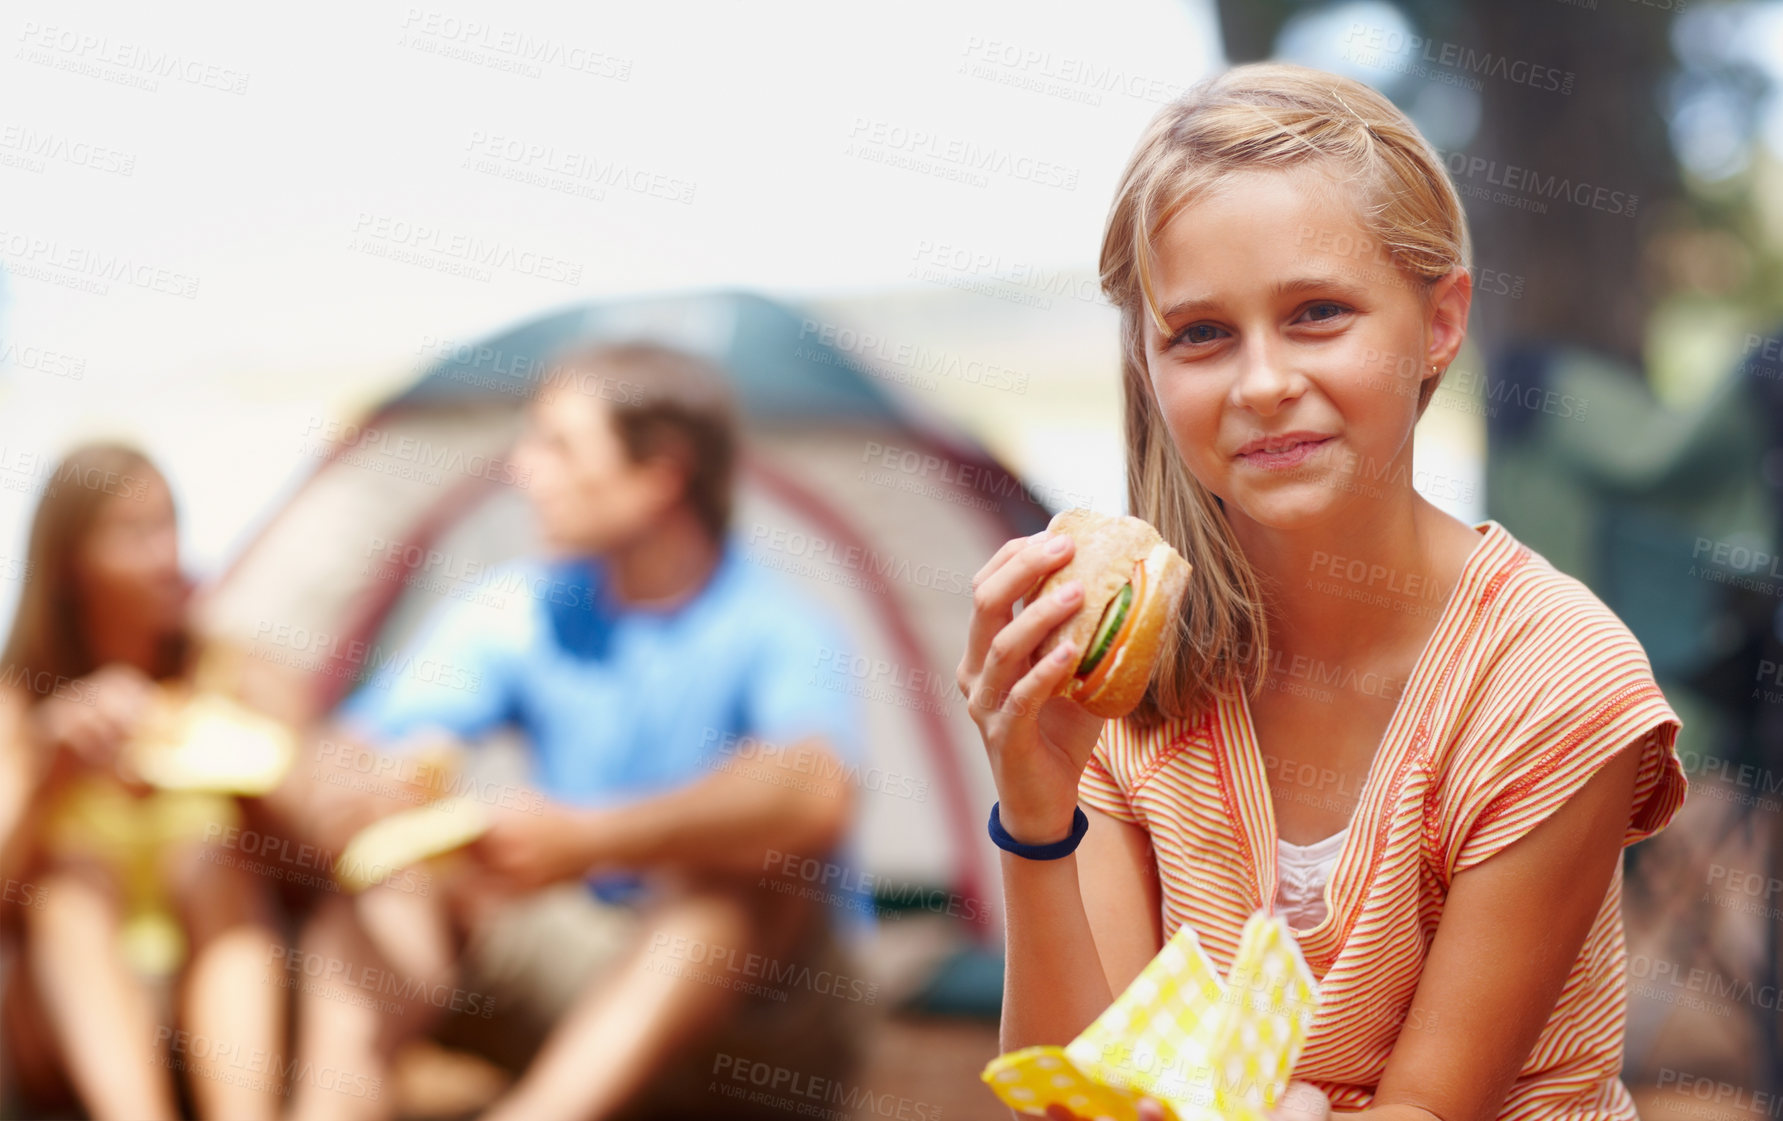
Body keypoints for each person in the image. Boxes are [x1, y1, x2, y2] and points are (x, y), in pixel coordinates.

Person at [957, 62, 1686, 1120]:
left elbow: (1429, 1107)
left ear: (1440, 322)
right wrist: (1034, 803)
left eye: (1316, 313)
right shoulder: (1122, 673)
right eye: (1200, 333)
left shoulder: (1553, 676)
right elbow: (1071, 1100)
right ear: (1149, 364)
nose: (1259, 383)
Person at [283, 341, 871, 1121]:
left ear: (661, 472)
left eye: (556, 445)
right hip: (581, 985)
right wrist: (367, 790)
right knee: (391, 868)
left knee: (737, 879)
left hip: (760, 1033)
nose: (522, 471)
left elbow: (815, 790)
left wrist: (592, 837)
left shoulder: (779, 626)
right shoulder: (524, 608)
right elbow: (359, 745)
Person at [0, 444, 288, 1121]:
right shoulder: (21, 705)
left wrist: (251, 769)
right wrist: (50, 769)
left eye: (170, 525)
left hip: (213, 977)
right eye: (135, 534)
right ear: (71, 563)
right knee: (65, 890)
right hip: (59, 1016)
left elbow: (311, 849)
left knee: (217, 864)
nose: (168, 555)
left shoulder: (229, 676)